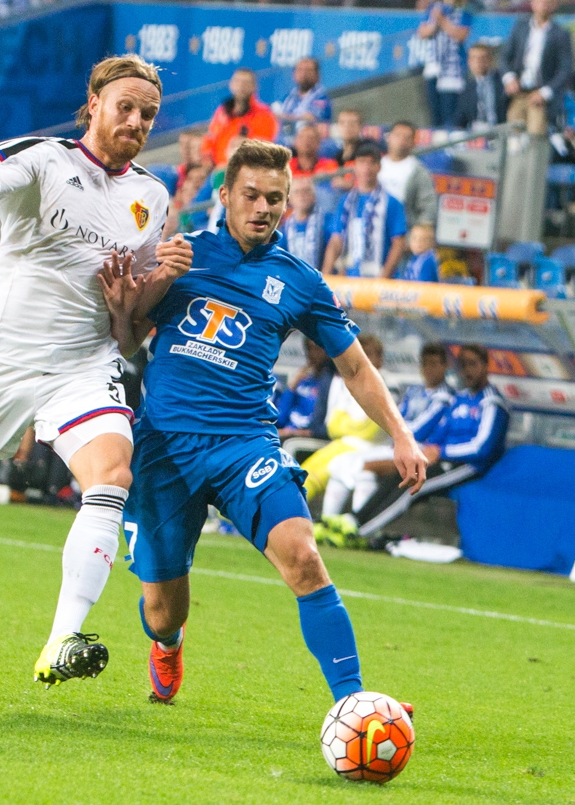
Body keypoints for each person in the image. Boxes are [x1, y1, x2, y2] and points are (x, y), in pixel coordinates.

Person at [0, 55, 188, 690]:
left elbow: (130, 317)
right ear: (94, 104)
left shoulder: (151, 196)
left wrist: (148, 286)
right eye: (126, 107)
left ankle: (62, 639)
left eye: (148, 114)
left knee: (112, 474)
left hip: (83, 362)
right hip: (1, 358)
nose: (137, 121)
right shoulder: (42, 157)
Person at [98, 138, 425, 706]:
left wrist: (401, 433)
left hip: (245, 444)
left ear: (289, 202)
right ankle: (168, 642)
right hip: (165, 447)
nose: (263, 207)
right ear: (224, 195)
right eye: (251, 194)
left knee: (303, 556)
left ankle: (354, 704)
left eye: (276, 197)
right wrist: (134, 300)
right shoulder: (180, 255)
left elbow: (354, 365)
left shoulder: (301, 281)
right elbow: (125, 344)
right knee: (161, 608)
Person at [356, 343, 509, 540]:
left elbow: (482, 447)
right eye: (463, 365)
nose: (467, 371)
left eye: (473, 364)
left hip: (469, 466)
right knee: (400, 475)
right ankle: (355, 520)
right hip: (442, 459)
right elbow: (440, 432)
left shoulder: (491, 402)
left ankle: (360, 533)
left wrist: (441, 452)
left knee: (414, 484)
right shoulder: (459, 399)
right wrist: (429, 450)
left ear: (486, 366)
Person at [316, 342, 452, 546]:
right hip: (395, 445)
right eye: (426, 364)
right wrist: (398, 429)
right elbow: (397, 416)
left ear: (444, 366)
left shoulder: (445, 396)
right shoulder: (415, 392)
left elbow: (420, 429)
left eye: (434, 364)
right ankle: (329, 524)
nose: (429, 369)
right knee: (341, 464)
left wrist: (399, 430)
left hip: (416, 450)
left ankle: (355, 530)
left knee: (361, 467)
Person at [322, 142, 408, 278]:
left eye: (372, 163)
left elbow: (398, 243)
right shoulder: (345, 201)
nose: (366, 168)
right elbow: (336, 240)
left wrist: (383, 279)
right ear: (354, 166)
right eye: (362, 162)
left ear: (379, 167)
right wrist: (326, 277)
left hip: (379, 279)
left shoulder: (391, 202)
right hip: (349, 279)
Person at [499, 0, 573, 127]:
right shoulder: (520, 27)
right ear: (532, 3)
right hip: (518, 92)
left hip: (540, 95)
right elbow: (504, 56)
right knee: (513, 135)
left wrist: (545, 92)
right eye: (539, 1)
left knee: (536, 134)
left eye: (548, 2)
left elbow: (565, 69)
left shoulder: (561, 34)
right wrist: (509, 78)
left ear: (554, 5)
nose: (543, 5)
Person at [201, 68, 278, 166]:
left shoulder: (264, 114)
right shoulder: (222, 111)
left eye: (246, 83)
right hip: (215, 169)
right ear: (231, 84)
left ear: (255, 87)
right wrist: (206, 157)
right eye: (237, 81)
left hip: (243, 169)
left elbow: (263, 147)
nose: (241, 86)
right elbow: (210, 137)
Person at [275, 338, 337, 442]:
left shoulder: (331, 383)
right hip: (286, 431)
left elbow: (321, 426)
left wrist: (294, 433)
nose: (312, 353)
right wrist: (292, 386)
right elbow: (280, 418)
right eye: (309, 348)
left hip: (303, 438)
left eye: (316, 349)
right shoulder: (303, 380)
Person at [377, 121, 435, 226]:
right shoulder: (375, 165)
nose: (401, 140)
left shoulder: (418, 172)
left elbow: (428, 206)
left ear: (413, 143)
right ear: (388, 138)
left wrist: (419, 232)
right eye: (397, 135)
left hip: (404, 228)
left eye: (407, 137)